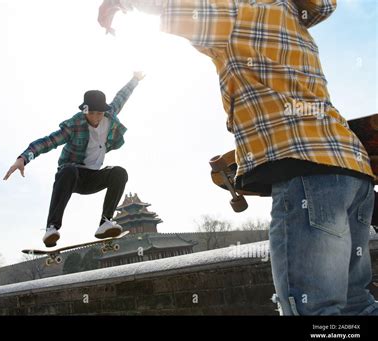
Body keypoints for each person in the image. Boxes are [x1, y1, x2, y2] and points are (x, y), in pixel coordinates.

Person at [98, 0, 377, 315]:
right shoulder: (288, 14)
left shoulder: (236, 13)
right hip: (353, 171)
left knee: (311, 307)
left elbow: (173, 10)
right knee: (357, 303)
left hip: (305, 174)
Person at [4, 72, 145, 247]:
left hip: (94, 177)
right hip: (72, 177)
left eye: (99, 114)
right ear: (85, 110)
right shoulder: (74, 125)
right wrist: (23, 158)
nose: (95, 118)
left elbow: (122, 96)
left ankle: (105, 222)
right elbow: (48, 142)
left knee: (119, 173)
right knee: (68, 170)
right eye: (91, 113)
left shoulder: (110, 115)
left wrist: (135, 79)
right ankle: (52, 228)